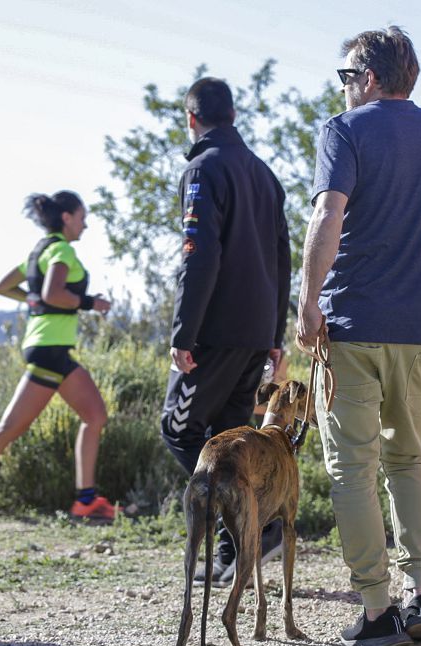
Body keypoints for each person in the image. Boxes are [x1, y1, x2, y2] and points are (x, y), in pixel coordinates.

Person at [297, 26, 421, 646]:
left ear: (368, 78)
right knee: (408, 459)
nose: (342, 89)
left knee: (351, 470)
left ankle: (375, 609)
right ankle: (420, 591)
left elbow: (328, 213)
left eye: (345, 78)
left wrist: (308, 301)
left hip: (356, 324)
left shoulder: (345, 130)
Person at [159, 77, 290, 587]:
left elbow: (200, 256)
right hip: (256, 330)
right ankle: (238, 547)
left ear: (192, 119)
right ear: (232, 115)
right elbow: (282, 259)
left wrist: (183, 333)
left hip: (216, 332)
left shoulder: (202, 168)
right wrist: (274, 335)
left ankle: (258, 522)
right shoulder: (264, 174)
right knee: (229, 439)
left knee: (180, 429)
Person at [0, 191, 117, 525]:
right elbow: (53, 293)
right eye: (82, 216)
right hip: (50, 347)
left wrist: (34, 300)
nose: (86, 224)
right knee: (12, 426)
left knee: (94, 414)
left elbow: (4, 287)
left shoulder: (40, 251)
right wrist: (88, 303)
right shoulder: (62, 250)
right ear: (66, 217)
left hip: (49, 346)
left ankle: (86, 500)